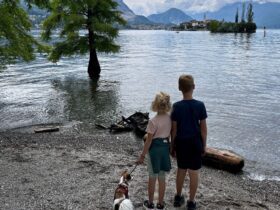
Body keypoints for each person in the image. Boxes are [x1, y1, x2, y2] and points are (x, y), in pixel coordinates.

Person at [170, 75, 207, 210]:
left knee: (181, 170)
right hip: (195, 143)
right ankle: (191, 201)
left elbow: (173, 130)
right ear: (194, 87)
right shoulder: (200, 105)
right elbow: (203, 129)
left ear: (180, 88)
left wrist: (172, 146)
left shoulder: (176, 106)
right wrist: (204, 145)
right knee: (194, 173)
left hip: (181, 143)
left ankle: (178, 196)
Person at [137, 92, 172, 210]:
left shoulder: (153, 121)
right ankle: (161, 203)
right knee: (162, 177)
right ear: (168, 105)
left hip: (154, 151)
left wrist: (142, 156)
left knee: (152, 177)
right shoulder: (170, 119)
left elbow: (149, 141)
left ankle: (150, 203)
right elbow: (170, 135)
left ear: (155, 105)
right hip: (165, 148)